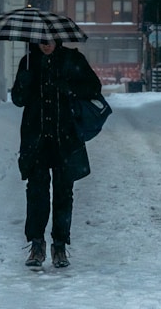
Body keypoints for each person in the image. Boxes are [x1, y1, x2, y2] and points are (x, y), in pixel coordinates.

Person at [11, 39, 102, 268]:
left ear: (58, 39)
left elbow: (94, 88)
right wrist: (25, 81)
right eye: (41, 41)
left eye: (50, 40)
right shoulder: (29, 62)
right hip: (37, 139)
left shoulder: (73, 60)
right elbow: (17, 100)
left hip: (66, 139)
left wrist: (69, 87)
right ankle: (36, 244)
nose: (46, 45)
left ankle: (60, 245)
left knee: (63, 193)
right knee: (36, 193)